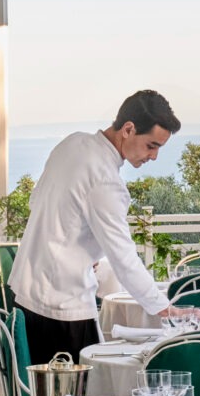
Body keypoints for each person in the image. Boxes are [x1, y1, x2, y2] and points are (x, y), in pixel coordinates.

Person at [10, 89, 185, 370]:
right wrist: (164, 308)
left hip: (25, 297)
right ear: (128, 129)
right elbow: (123, 258)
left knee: (43, 395)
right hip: (63, 309)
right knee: (81, 394)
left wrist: (84, 253)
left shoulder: (72, 143)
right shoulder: (105, 180)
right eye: (151, 145)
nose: (153, 156)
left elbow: (39, 202)